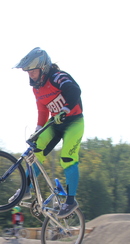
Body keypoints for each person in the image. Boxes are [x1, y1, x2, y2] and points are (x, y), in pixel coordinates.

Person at [12, 47, 84, 218]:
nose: (30, 74)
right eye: (27, 71)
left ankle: (71, 201)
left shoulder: (58, 77)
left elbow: (75, 91)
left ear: (43, 67)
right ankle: (27, 189)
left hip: (73, 122)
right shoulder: (36, 88)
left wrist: (65, 109)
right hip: (55, 123)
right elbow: (43, 111)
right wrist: (37, 131)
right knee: (34, 153)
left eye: (32, 70)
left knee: (67, 158)